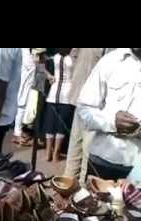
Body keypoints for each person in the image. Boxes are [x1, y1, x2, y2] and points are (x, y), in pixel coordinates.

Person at [78, 48, 141, 180]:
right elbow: (84, 110)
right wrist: (112, 122)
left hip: (138, 171)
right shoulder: (110, 61)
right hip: (104, 162)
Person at [64, 48, 115, 182]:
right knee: (80, 150)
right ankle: (70, 188)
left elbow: (73, 56)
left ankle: (75, 189)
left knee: (82, 150)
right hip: (88, 101)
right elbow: (72, 57)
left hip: (91, 103)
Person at [43, 48, 75, 162]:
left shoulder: (73, 57)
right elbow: (38, 63)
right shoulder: (55, 56)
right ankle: (48, 151)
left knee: (61, 123)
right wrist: (49, 76)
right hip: (54, 91)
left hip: (67, 93)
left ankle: (56, 151)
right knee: (50, 122)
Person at [13, 48, 47, 146]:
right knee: (22, 104)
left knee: (26, 105)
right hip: (28, 77)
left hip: (31, 77)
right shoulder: (27, 56)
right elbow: (38, 62)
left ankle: (20, 131)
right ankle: (18, 132)